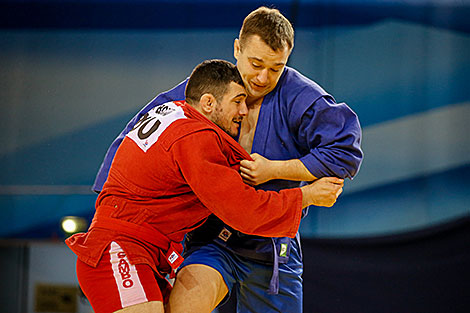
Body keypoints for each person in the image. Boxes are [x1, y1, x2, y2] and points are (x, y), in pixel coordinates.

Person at [93, 7, 363, 313]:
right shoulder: (199, 94)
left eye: (276, 68)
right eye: (255, 63)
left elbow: (345, 152)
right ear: (237, 48)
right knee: (184, 307)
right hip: (212, 237)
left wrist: (274, 169)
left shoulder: (302, 97)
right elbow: (128, 151)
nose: (263, 77)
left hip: (271, 245)